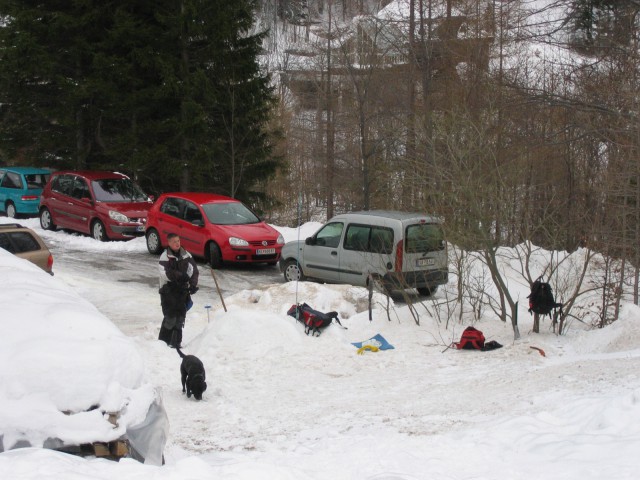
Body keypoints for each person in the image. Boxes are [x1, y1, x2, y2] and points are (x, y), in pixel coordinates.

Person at [158, 233, 199, 348]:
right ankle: (162, 344)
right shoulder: (164, 257)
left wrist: (193, 284)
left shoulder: (186, 255)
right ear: (169, 243)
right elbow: (164, 273)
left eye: (178, 241)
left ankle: (176, 343)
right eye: (174, 241)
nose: (177, 243)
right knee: (170, 318)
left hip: (182, 292)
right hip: (168, 292)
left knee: (180, 319)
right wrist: (180, 276)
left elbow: (194, 271)